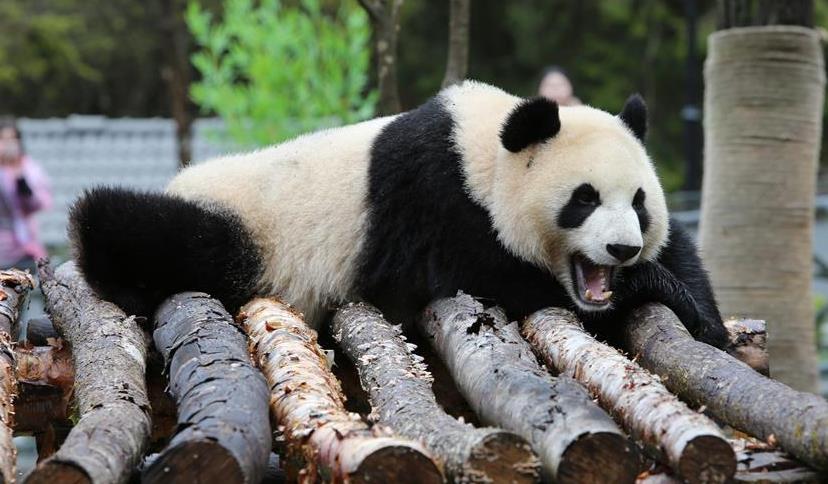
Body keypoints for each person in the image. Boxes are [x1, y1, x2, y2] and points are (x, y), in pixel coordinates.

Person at [0, 117, 52, 272]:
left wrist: (19, 176)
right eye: (3, 139)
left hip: (25, 245)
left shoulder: (30, 168)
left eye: (12, 139)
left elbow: (38, 202)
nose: (8, 144)